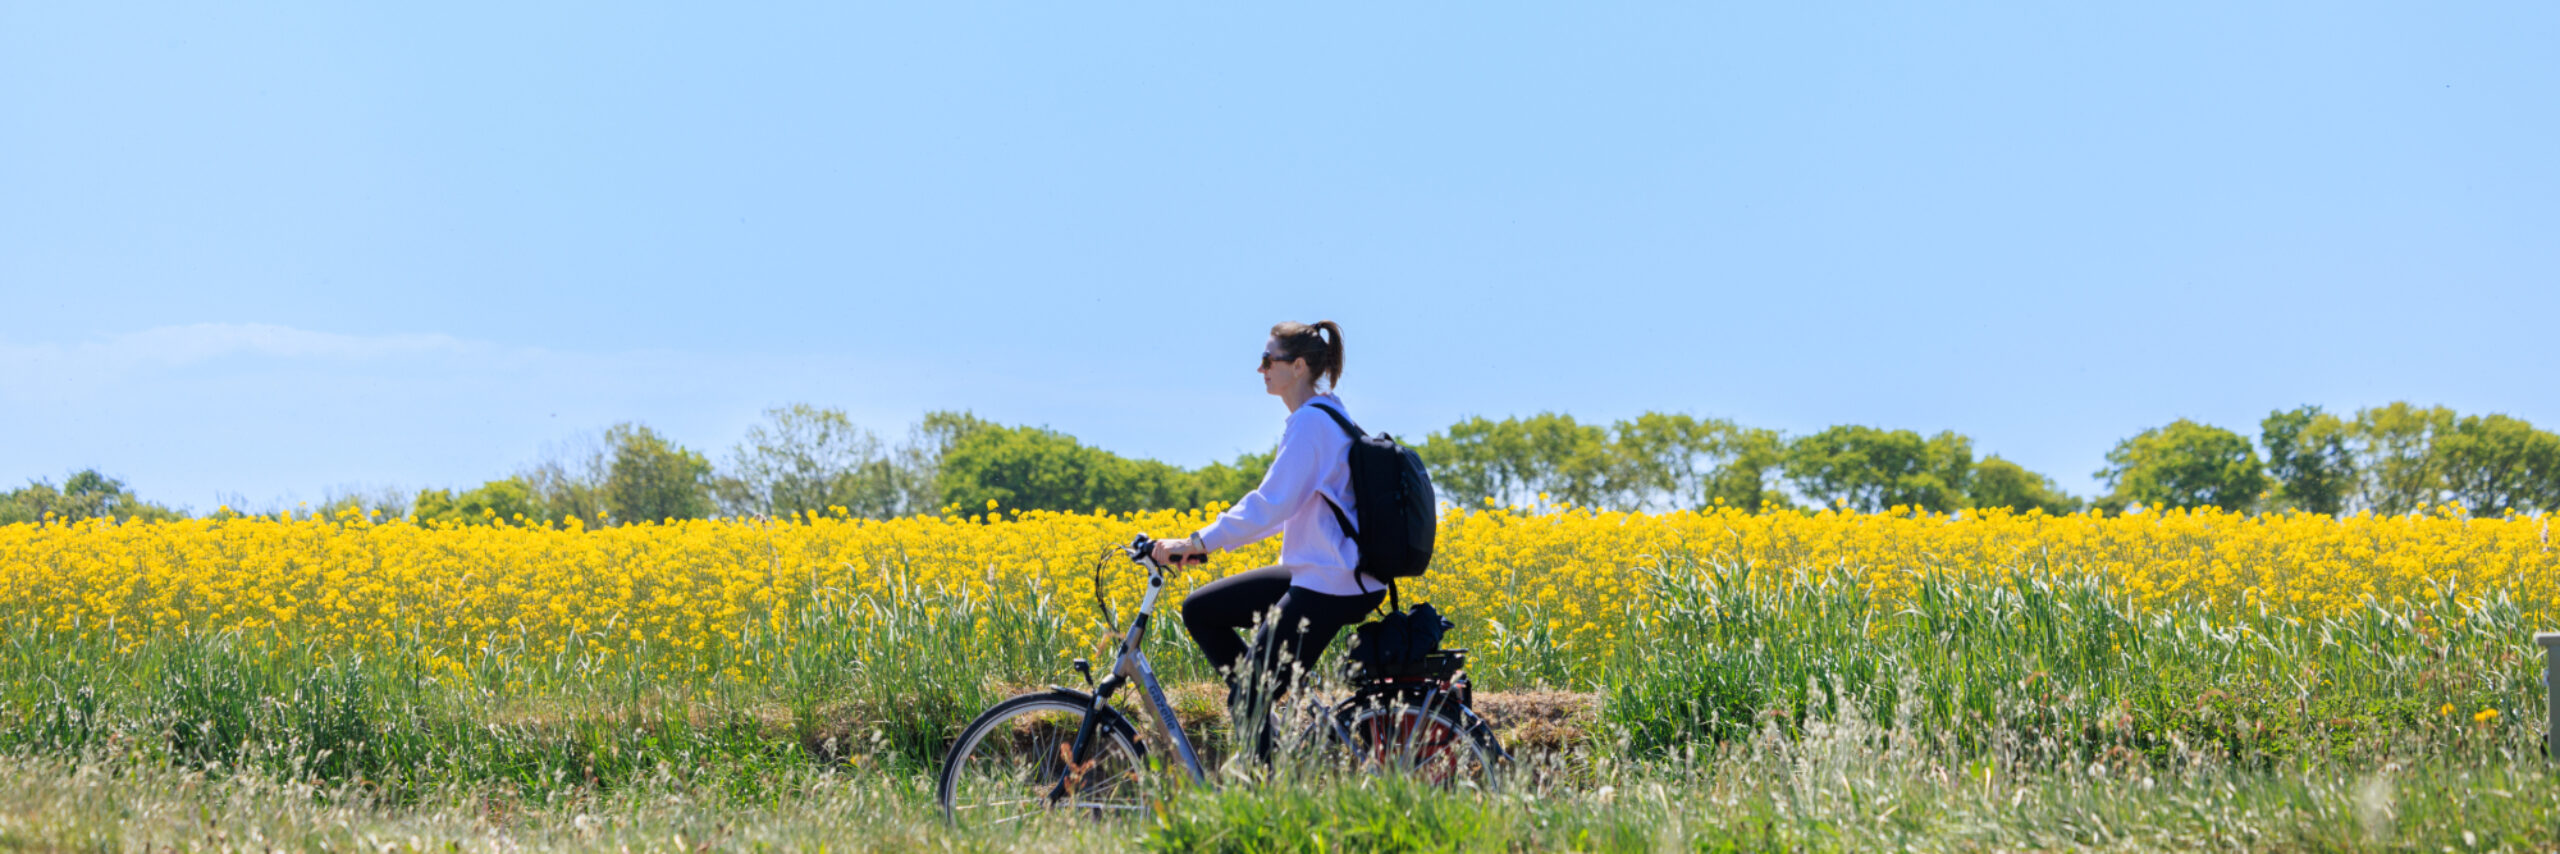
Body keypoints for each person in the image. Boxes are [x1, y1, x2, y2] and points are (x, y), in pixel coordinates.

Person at [1149, 320, 1386, 759]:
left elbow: (1271, 504)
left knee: (1249, 699)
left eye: (1267, 360)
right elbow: (1286, 508)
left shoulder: (1311, 424)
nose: (1260, 370)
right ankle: (1271, 719)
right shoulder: (1326, 412)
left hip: (1330, 581)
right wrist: (1207, 544)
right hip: (1327, 572)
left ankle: (1267, 793)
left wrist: (1198, 541)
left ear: (1297, 366)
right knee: (1201, 610)